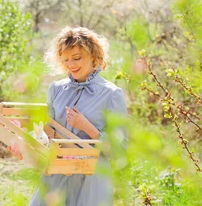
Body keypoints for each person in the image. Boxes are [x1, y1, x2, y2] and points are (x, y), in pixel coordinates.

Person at [29, 27, 128, 205]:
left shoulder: (112, 94)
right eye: (65, 59)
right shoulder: (56, 89)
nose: (71, 64)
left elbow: (119, 148)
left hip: (92, 178)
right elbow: (48, 131)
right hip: (57, 172)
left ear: (94, 56)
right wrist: (27, 140)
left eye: (77, 58)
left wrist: (87, 127)